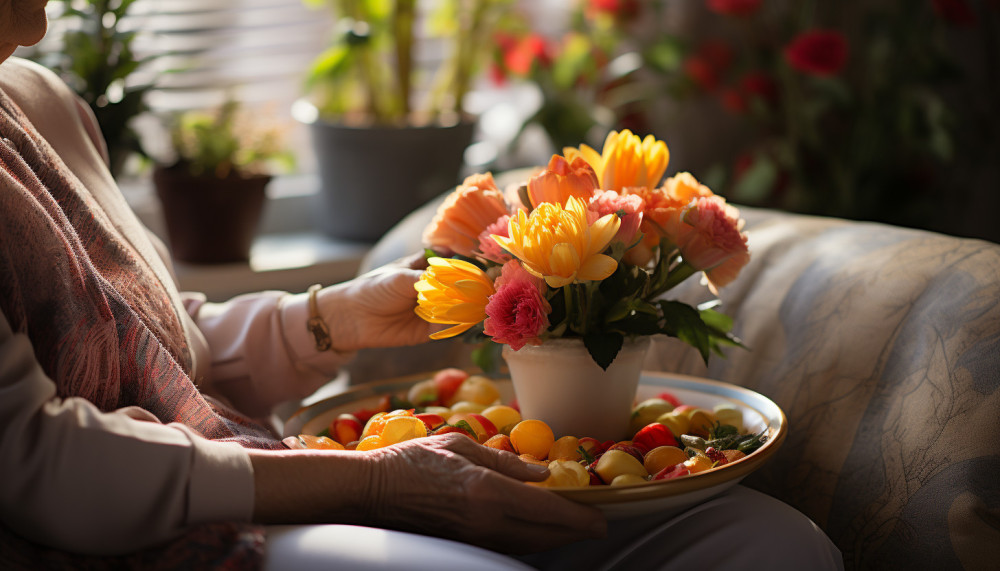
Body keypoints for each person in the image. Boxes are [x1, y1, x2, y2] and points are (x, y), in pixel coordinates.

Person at [0, 3, 843, 569]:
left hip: (281, 467)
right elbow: (43, 466)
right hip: (188, 531)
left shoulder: (41, 101)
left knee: (771, 543)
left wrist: (327, 322)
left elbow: (164, 344)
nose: (39, 23)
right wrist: (375, 480)